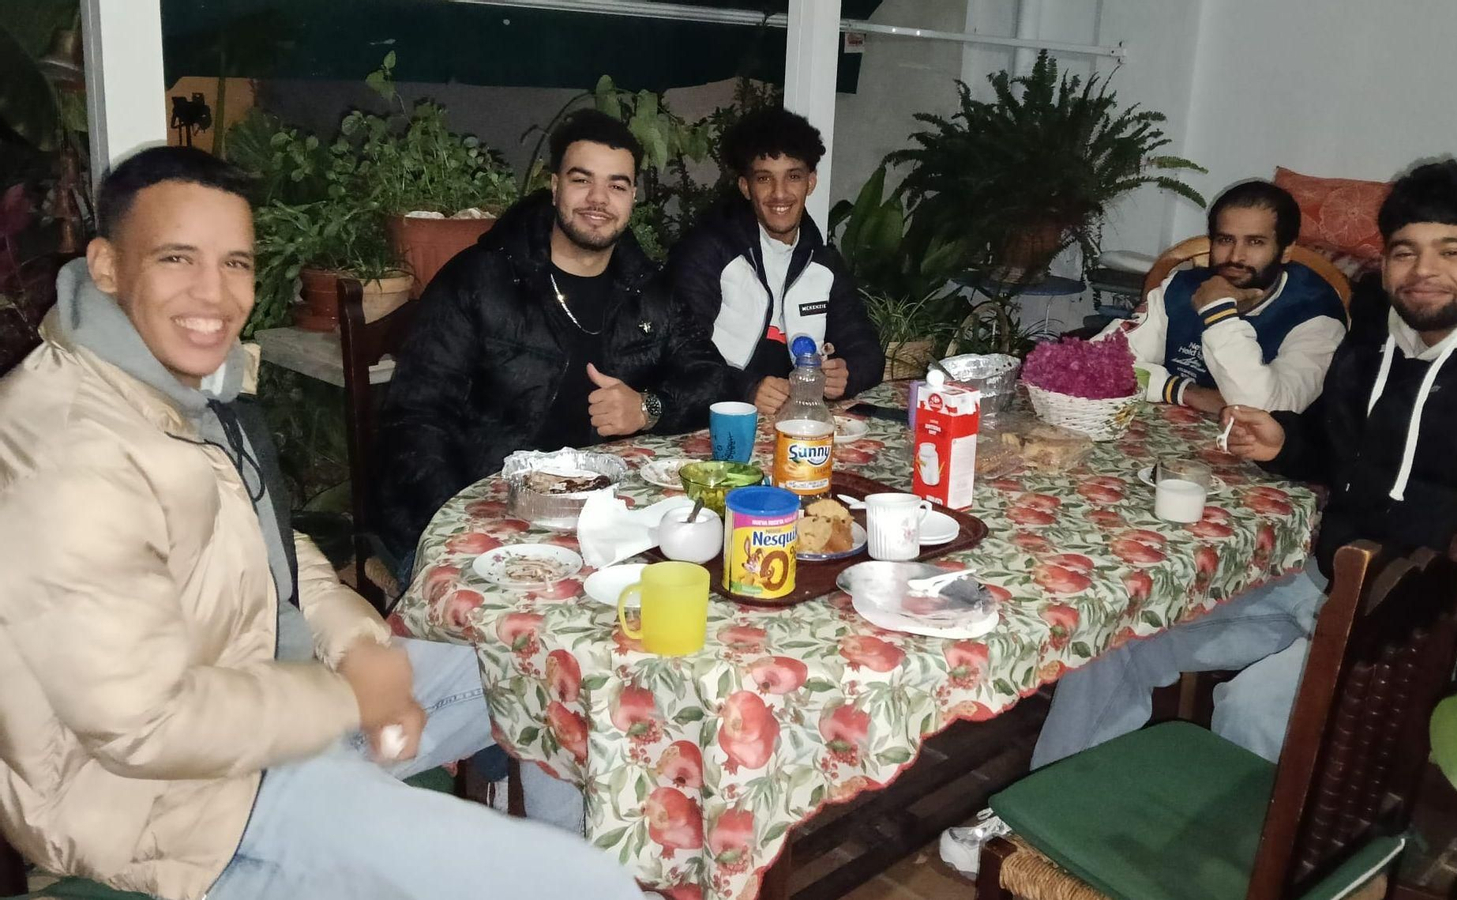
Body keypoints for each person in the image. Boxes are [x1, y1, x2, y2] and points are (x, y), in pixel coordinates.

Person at [0, 147, 644, 899]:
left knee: (545, 671)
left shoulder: (175, 387)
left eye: (236, 263)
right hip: (179, 809)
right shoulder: (69, 444)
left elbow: (275, 547)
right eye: (178, 258)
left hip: (274, 719)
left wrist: (360, 646)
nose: (214, 292)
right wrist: (352, 698)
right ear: (108, 266)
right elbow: (144, 725)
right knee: (579, 887)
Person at [942, 159, 1457, 877]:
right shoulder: (1386, 324)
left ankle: (1219, 866)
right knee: (1122, 631)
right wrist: (1287, 441)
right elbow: (1339, 441)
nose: (1423, 271)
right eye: (1406, 251)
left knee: (1253, 706)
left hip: (1422, 622)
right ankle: (1055, 809)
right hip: (1324, 578)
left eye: (1452, 251)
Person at [376, 109, 731, 563]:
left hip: (604, 522)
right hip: (482, 516)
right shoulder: (479, 280)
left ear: (633, 196)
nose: (598, 199)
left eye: (617, 185)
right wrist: (461, 524)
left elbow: (712, 378)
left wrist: (647, 407)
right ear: (554, 185)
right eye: (582, 180)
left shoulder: (646, 286)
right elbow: (415, 419)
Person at [667, 107, 884, 415]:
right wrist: (745, 388)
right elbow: (677, 353)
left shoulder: (823, 261)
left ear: (810, 183)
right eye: (765, 178)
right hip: (715, 420)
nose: (779, 194)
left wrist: (846, 374)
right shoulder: (706, 252)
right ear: (746, 187)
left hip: (797, 424)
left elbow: (866, 349)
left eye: (793, 177)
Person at [1111, 181, 1347, 414]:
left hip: (1263, 451)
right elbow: (1101, 363)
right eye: (1225, 240)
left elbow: (1265, 411)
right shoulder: (1180, 287)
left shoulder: (1317, 313)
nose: (1236, 256)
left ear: (1285, 251)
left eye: (1255, 242)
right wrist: (1183, 391)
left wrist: (1218, 312)